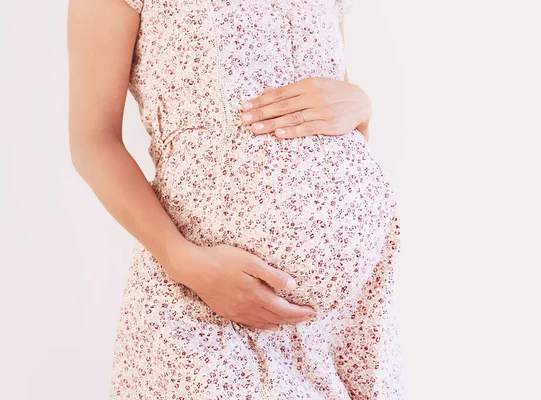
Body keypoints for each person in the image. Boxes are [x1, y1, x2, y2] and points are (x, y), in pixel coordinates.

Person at [67, 0, 404, 398]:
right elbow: (92, 140)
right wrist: (181, 259)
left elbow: (323, 116)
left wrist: (361, 106)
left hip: (346, 322)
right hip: (206, 302)